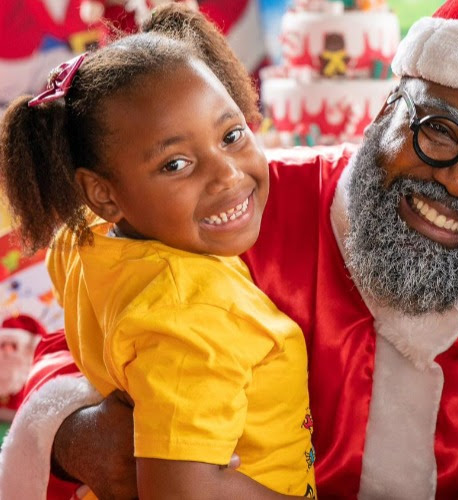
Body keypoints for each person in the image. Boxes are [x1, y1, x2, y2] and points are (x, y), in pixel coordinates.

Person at [0, 0, 458, 498]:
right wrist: (76, 430)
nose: (456, 180)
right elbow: (93, 334)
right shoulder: (244, 210)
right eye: (437, 128)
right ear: (387, 105)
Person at [0, 4, 314, 498]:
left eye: (231, 135)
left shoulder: (87, 239)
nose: (228, 174)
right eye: (176, 164)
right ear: (103, 193)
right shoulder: (195, 317)